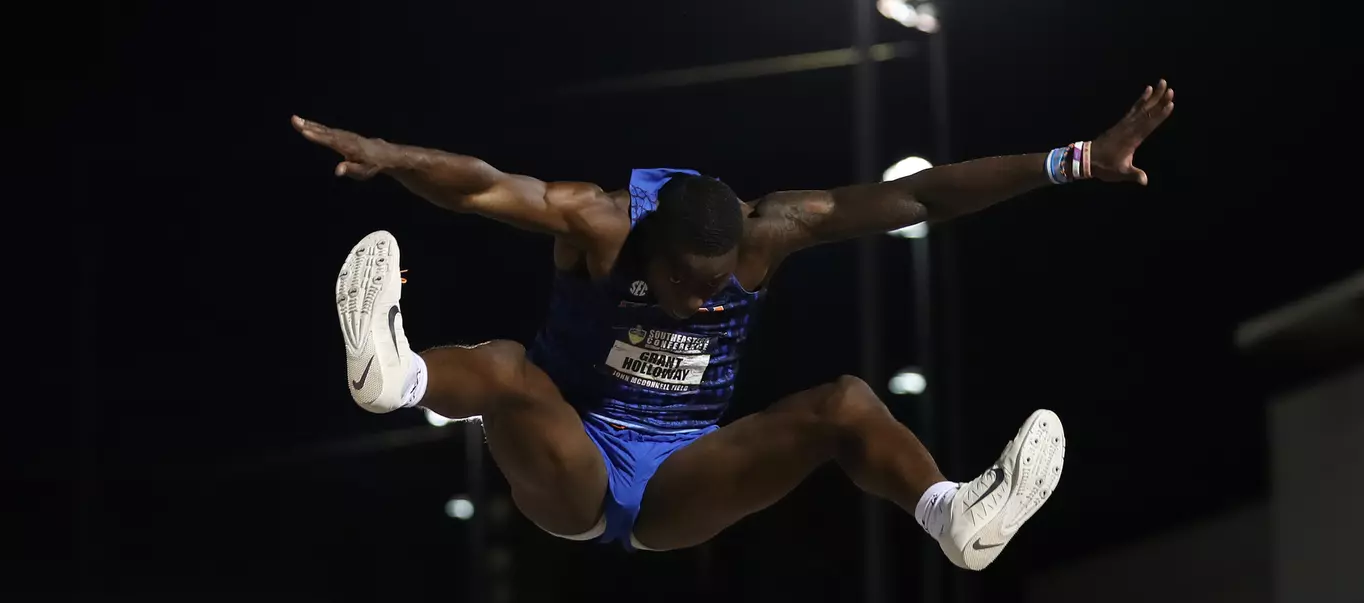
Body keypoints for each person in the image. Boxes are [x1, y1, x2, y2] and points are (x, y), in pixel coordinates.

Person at [292, 81, 1174, 564]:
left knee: (844, 402)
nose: (700, 300)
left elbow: (920, 196)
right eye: (682, 282)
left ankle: (948, 514)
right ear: (645, 247)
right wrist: (391, 157)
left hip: (683, 477)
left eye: (715, 286)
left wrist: (1073, 160)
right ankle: (396, 377)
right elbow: (481, 187)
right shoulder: (596, 221)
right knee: (503, 368)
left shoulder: (769, 233)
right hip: (572, 460)